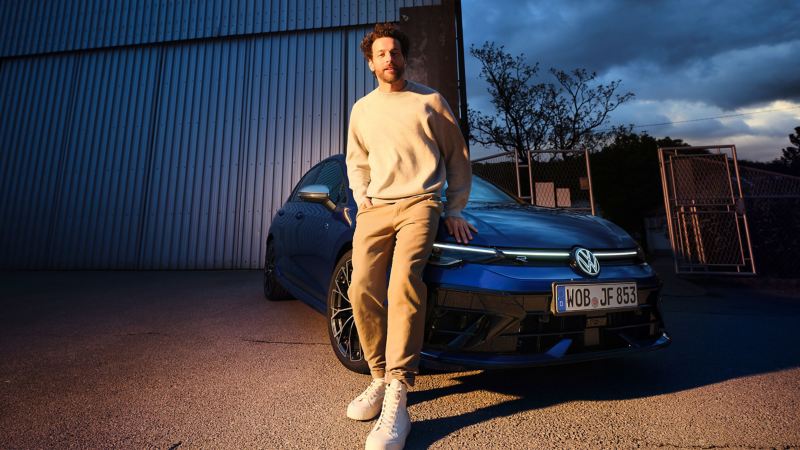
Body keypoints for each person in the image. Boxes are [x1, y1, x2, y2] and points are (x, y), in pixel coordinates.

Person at [344, 23, 477, 450]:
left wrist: (453, 208)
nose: (389, 58)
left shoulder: (430, 101)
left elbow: (457, 157)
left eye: (395, 52)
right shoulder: (362, 109)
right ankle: (379, 377)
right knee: (360, 287)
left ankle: (400, 393)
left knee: (404, 282)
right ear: (371, 63)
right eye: (381, 53)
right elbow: (357, 159)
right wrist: (362, 197)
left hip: (420, 204)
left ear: (404, 57)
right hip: (376, 208)